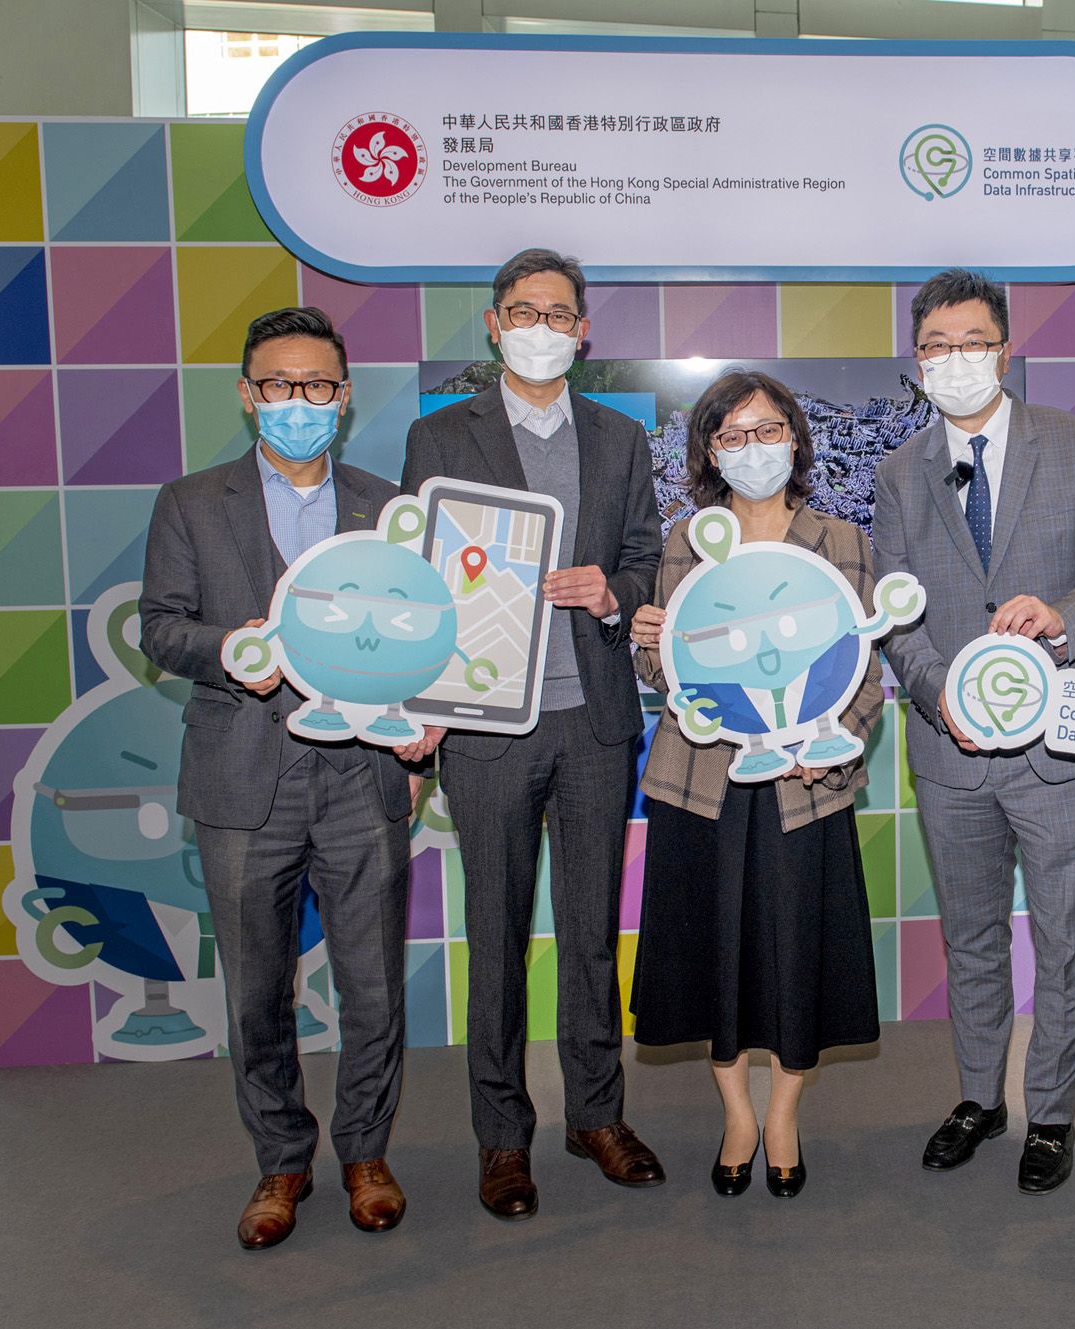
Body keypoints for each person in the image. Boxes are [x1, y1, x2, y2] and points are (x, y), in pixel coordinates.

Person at [396, 248, 665, 1218]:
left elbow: (644, 557)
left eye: (559, 313)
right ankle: (501, 1138)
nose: (542, 327)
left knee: (592, 934)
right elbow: (420, 582)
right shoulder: (438, 438)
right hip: (486, 725)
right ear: (494, 325)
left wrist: (615, 592)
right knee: (496, 935)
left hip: (592, 720)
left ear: (583, 330)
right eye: (523, 310)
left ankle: (596, 1115)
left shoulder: (619, 437)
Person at [138, 307, 414, 1250]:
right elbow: (160, 625)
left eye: (319, 386)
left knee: (374, 985)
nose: (300, 402)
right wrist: (227, 648)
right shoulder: (189, 502)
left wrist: (426, 732)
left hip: (362, 774)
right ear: (249, 395)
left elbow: (425, 635)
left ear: (344, 399)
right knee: (257, 989)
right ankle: (280, 1161)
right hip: (242, 774)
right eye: (280, 385)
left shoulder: (388, 508)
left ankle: (367, 1153)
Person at [873, 268, 1075, 1194]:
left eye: (973, 340)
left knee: (1066, 939)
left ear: (1005, 346)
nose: (956, 358)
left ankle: (1052, 1113)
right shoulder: (899, 472)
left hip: (1061, 749)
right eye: (937, 345)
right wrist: (940, 687)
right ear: (919, 358)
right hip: (951, 750)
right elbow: (893, 608)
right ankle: (979, 1098)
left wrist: (1059, 618)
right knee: (971, 935)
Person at [628, 371, 883, 1198]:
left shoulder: (841, 542)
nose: (752, 448)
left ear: (797, 441)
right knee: (718, 957)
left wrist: (834, 749)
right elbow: (665, 670)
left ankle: (783, 1116)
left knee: (796, 953)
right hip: (704, 783)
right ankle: (738, 1113)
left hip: (804, 784)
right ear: (709, 451)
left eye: (767, 430)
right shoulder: (685, 541)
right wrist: (646, 639)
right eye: (732, 435)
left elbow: (865, 676)